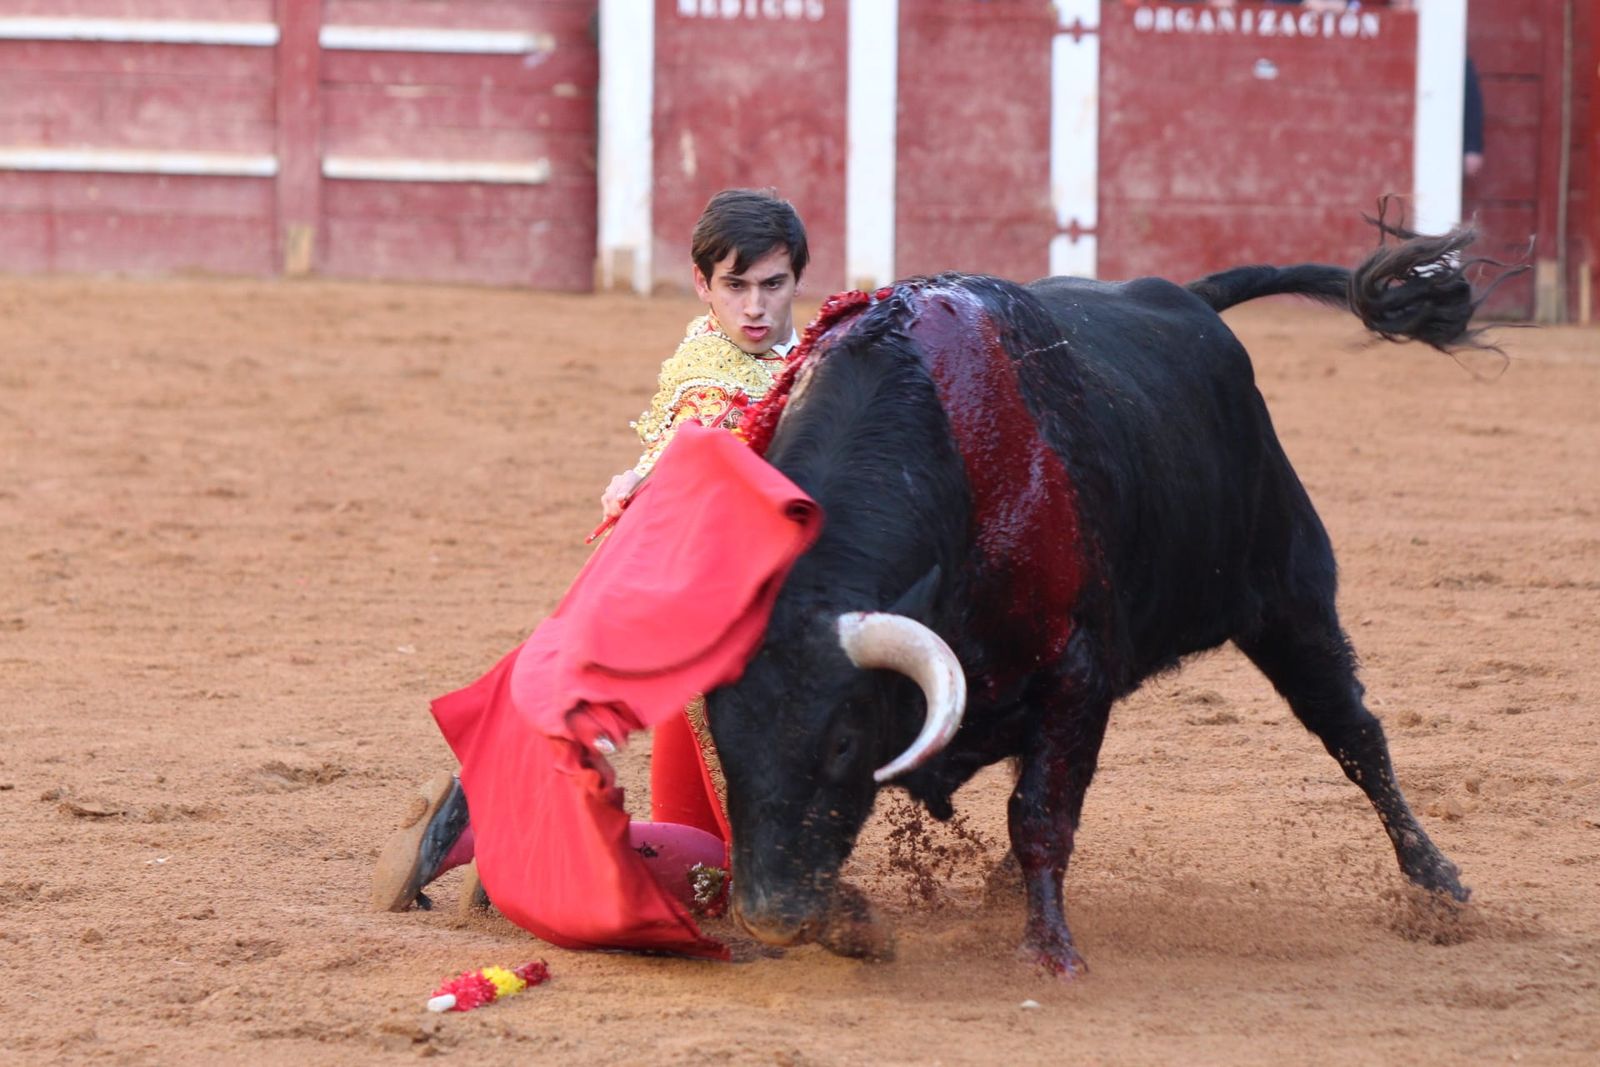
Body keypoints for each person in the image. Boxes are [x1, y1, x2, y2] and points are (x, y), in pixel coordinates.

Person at [371, 188, 809, 916]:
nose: (755, 307)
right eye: (735, 286)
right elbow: (705, 454)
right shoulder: (721, 387)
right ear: (704, 285)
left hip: (688, 652)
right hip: (719, 656)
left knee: (695, 844)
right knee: (737, 881)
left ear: (797, 277)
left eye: (773, 284)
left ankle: (493, 830)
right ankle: (528, 842)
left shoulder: (721, 351)